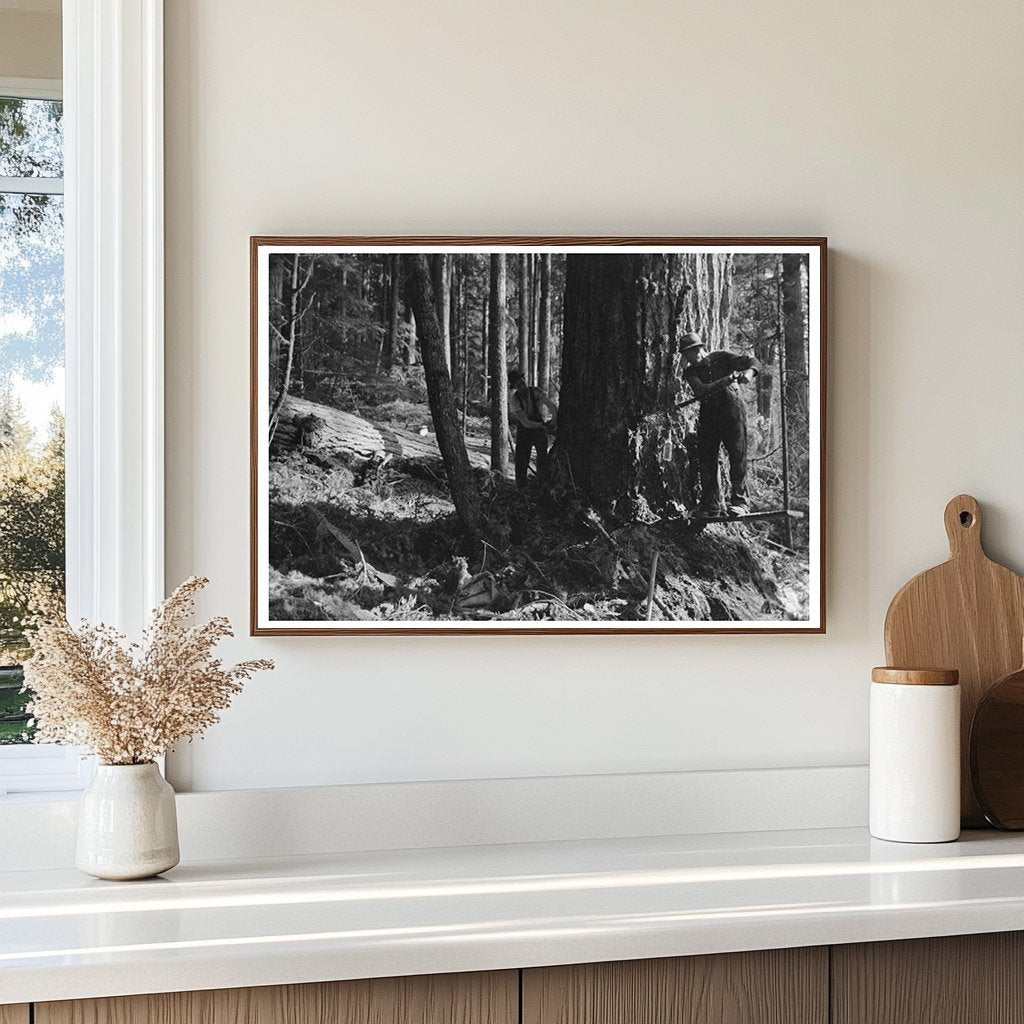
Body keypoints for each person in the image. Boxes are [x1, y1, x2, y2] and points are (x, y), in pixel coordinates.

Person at [680, 332, 760, 516]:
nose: (694, 355)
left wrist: (749, 373)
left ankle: (740, 503)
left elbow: (753, 361)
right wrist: (727, 379)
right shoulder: (691, 372)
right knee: (707, 459)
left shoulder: (722, 358)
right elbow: (701, 390)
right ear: (685, 356)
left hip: (733, 413)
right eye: (688, 353)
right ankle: (711, 505)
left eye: (695, 350)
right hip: (709, 417)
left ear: (702, 348)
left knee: (737, 456)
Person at [508, 368, 558, 489]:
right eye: (518, 385)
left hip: (538, 426)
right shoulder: (514, 399)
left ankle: (542, 482)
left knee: (542, 455)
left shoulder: (535, 391)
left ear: (525, 380)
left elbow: (550, 404)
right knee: (521, 458)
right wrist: (543, 426)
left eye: (522, 382)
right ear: (514, 386)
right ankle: (521, 486)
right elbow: (525, 422)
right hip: (526, 429)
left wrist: (554, 418)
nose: (522, 386)